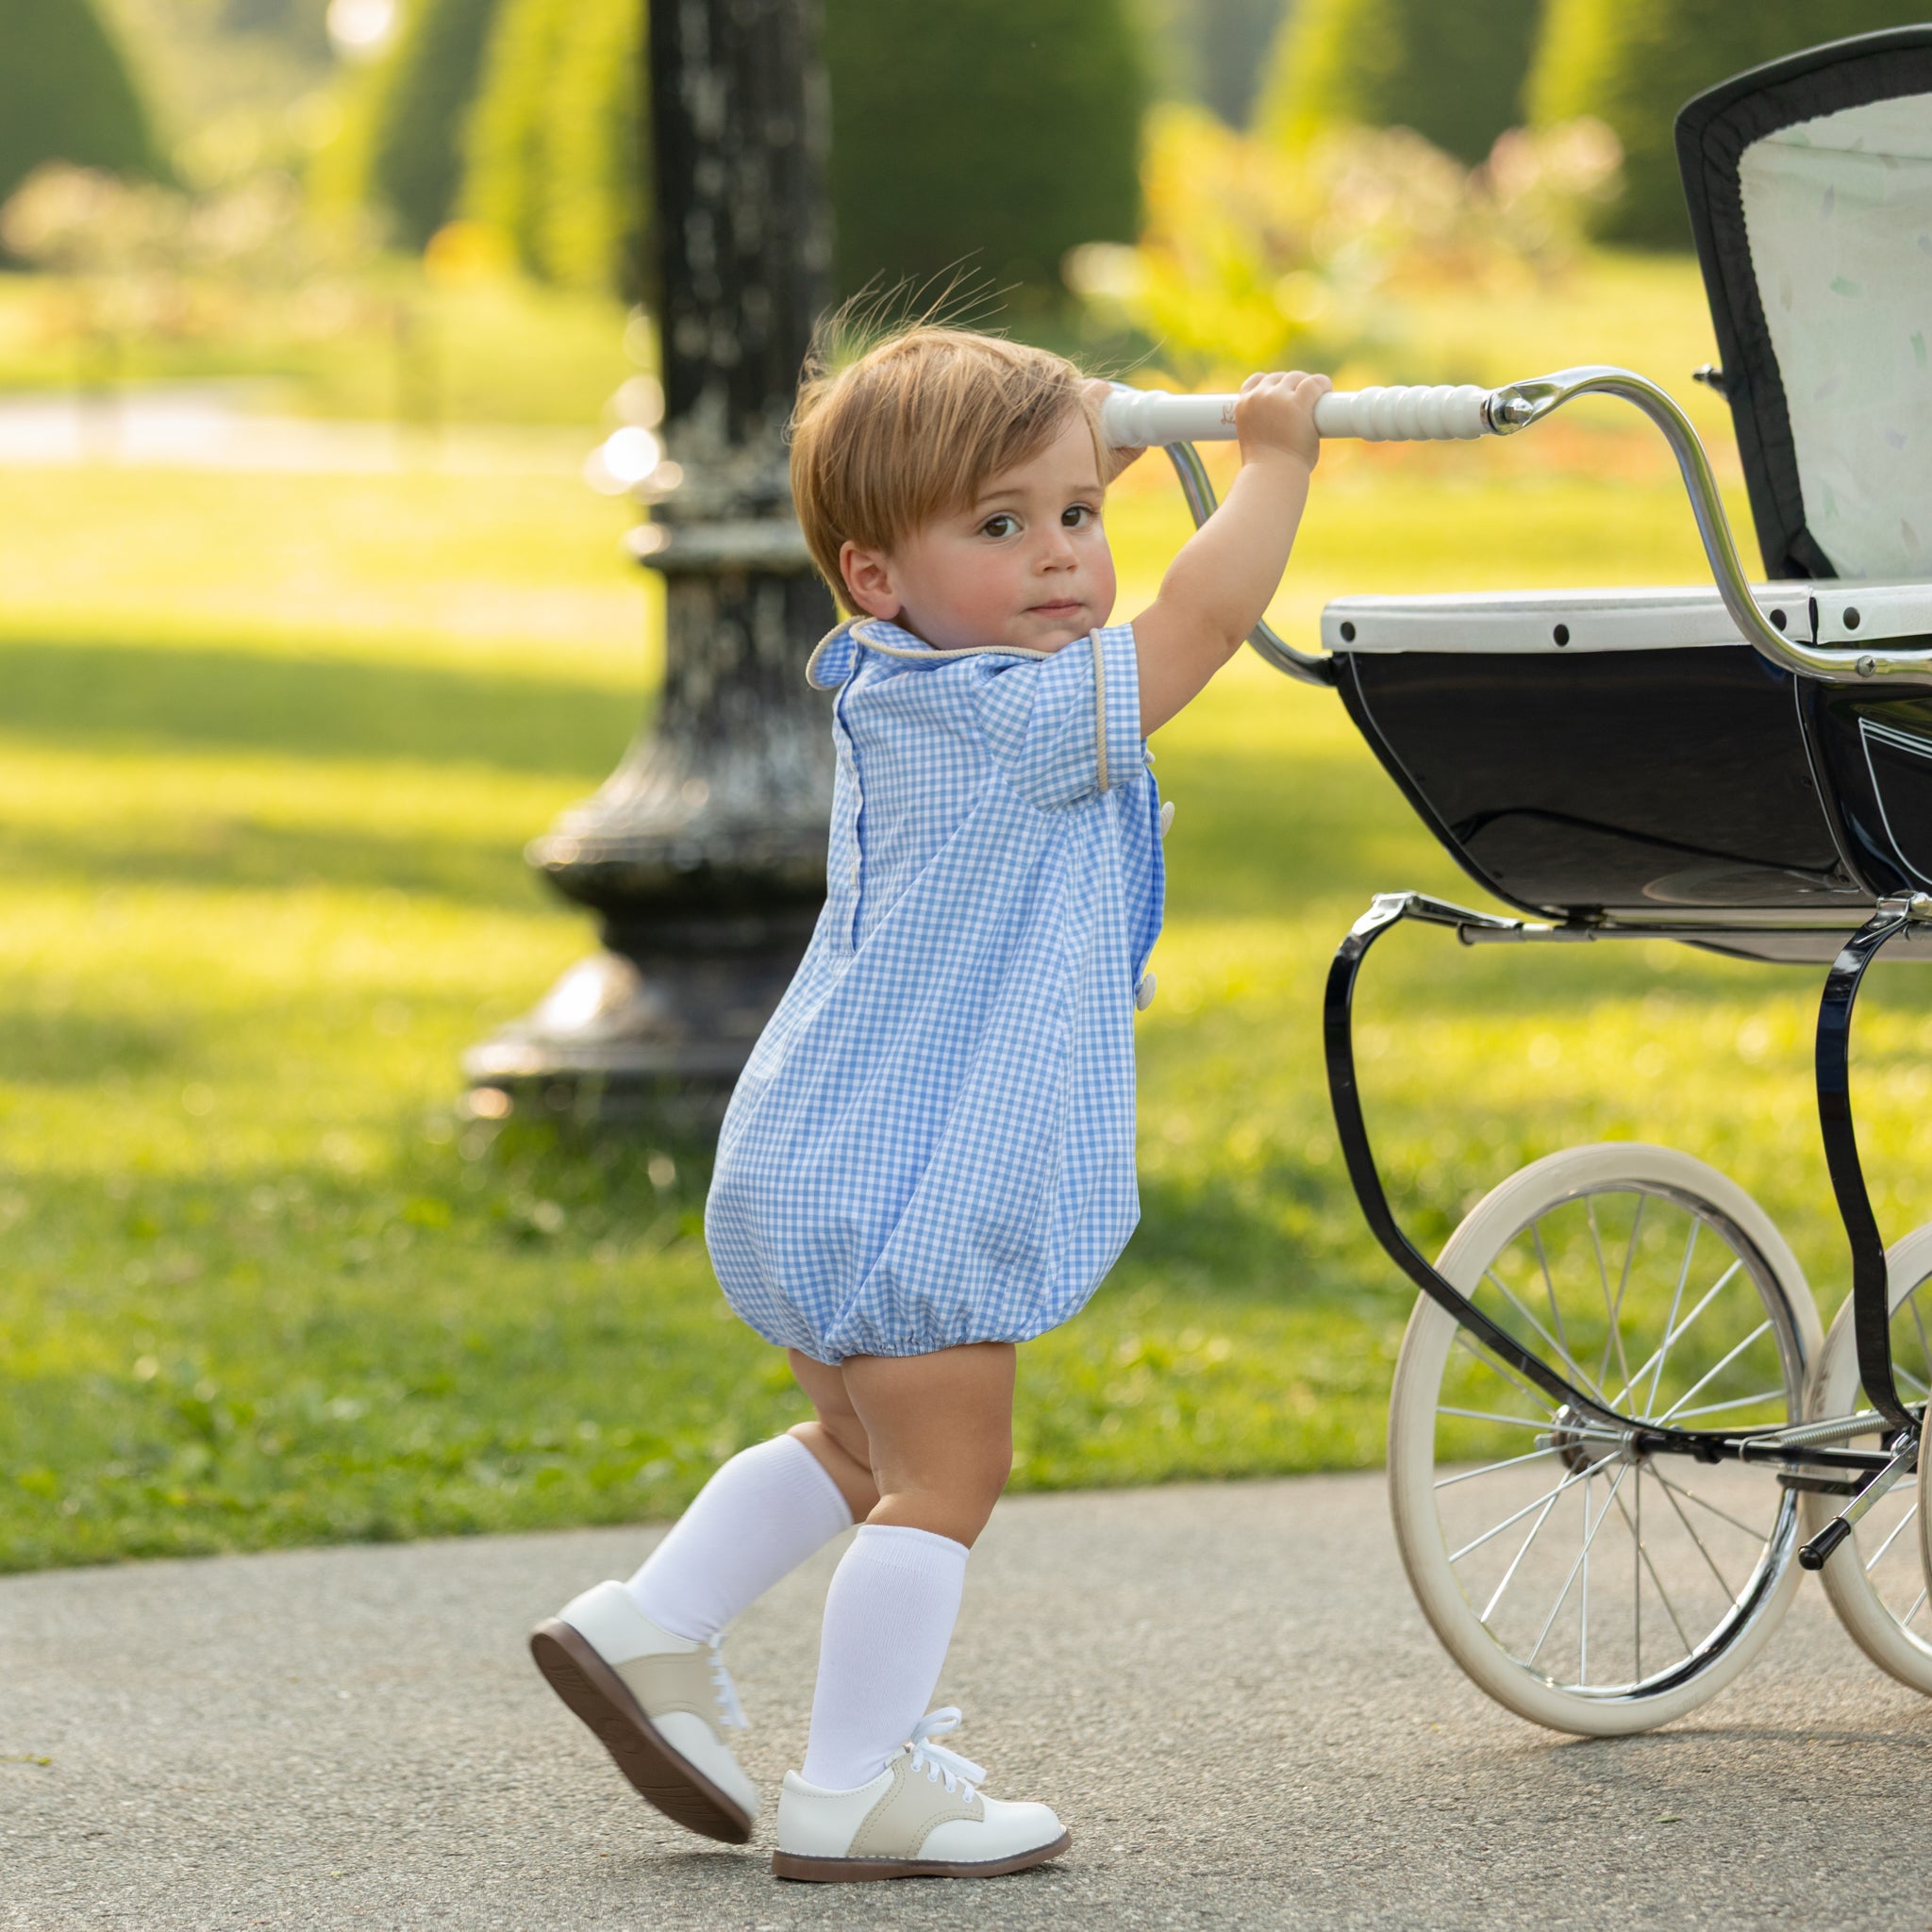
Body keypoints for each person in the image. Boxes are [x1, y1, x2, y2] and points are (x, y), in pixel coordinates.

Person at [529, 325, 1328, 1883]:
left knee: (852, 1444)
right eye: (1002, 527)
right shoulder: (1021, 722)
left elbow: (1047, 556)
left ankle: (651, 1629)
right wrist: (1276, 457)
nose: (1059, 562)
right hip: (922, 1181)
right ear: (876, 574)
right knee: (947, 1480)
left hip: (815, 1154)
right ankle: (855, 1787)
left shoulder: (892, 685)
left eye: (1077, 514)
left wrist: (1057, 447)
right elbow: (1207, 617)